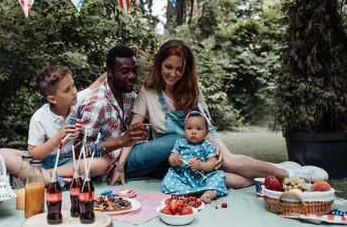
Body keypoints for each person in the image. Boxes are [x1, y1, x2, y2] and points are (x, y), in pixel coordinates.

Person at [109, 39, 328, 187]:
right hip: (179, 152)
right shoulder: (147, 92)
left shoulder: (192, 89)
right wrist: (120, 166)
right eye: (168, 67)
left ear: (186, 70)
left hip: (204, 140)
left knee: (228, 162)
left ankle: (291, 175)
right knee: (232, 180)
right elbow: (133, 134)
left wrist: (216, 147)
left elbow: (205, 126)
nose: (173, 74)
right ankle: (269, 173)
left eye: (179, 69)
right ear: (159, 65)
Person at [1, 66, 108, 184]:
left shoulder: (77, 100)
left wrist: (115, 64)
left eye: (73, 85)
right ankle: (56, 179)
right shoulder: (39, 117)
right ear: (52, 99)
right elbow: (34, 153)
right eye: (67, 90)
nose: (74, 91)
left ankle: (43, 176)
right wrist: (58, 137)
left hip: (69, 162)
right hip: (43, 161)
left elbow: (97, 83)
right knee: (2, 154)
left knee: (102, 162)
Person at [76, 46, 148, 182]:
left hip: (127, 159)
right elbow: (80, 151)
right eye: (125, 71)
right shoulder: (97, 103)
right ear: (109, 72)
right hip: (109, 168)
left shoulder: (131, 97)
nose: (132, 76)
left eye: (135, 71)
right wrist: (121, 141)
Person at [161, 111, 227, 204]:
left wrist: (201, 165)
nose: (193, 132)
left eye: (199, 129)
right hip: (182, 176)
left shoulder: (208, 145)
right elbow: (171, 158)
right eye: (189, 128)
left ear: (206, 132)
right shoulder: (180, 143)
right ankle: (184, 192)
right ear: (184, 130)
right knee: (168, 179)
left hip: (202, 178)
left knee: (219, 176)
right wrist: (174, 159)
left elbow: (212, 163)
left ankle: (208, 194)